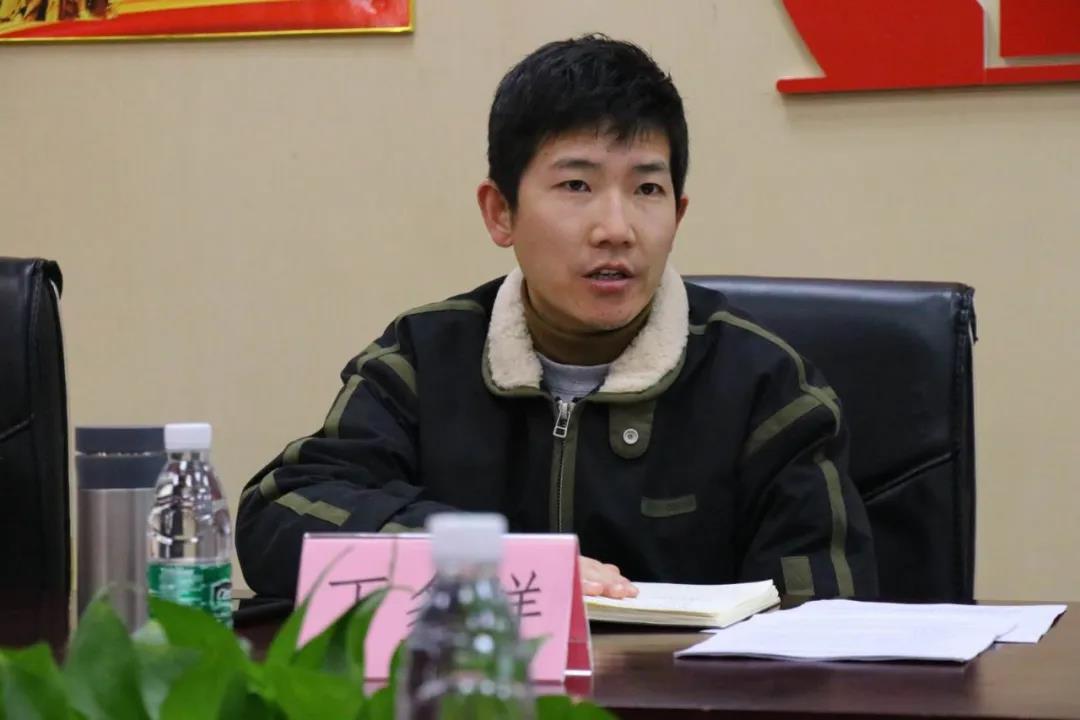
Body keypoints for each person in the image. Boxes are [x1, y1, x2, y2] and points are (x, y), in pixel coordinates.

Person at [236, 34, 877, 602]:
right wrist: (486, 561)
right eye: (577, 186)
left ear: (678, 215)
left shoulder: (768, 387)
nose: (616, 228)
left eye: (647, 189)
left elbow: (824, 622)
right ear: (501, 213)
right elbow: (282, 511)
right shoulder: (423, 359)